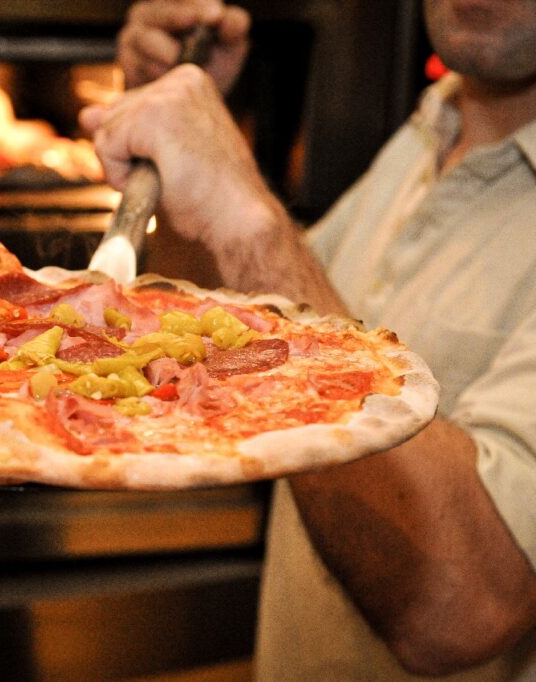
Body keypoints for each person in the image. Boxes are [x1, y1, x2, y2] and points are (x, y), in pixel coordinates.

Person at [79, 0, 536, 678]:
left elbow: (460, 613)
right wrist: (178, 152)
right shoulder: (430, 130)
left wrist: (245, 215)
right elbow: (239, 340)